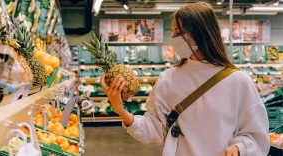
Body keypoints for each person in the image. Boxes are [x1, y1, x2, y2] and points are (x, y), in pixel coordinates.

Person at [100, 2, 270, 156]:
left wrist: (239, 148)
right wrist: (120, 109)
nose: (174, 39)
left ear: (202, 33)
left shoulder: (238, 81)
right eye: (173, 32)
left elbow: (256, 135)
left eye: (179, 32)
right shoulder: (168, 79)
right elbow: (154, 131)